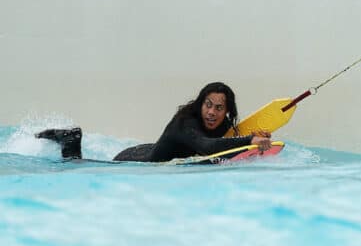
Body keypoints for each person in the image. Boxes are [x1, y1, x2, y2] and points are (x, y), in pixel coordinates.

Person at [36, 82, 272, 162]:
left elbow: (225, 142)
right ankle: (70, 140)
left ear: (227, 111)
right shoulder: (186, 121)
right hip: (134, 161)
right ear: (200, 104)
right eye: (207, 104)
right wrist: (251, 139)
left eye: (219, 108)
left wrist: (254, 138)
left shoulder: (221, 126)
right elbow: (206, 147)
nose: (211, 112)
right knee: (78, 168)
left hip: (149, 149)